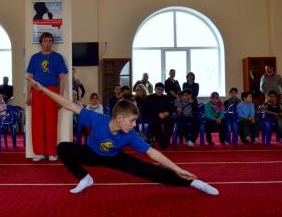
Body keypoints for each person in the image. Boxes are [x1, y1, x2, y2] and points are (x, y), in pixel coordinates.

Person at [27, 76, 219, 196]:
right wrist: (42, 89)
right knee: (63, 148)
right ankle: (85, 178)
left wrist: (179, 169)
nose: (135, 125)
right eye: (133, 120)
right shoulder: (97, 119)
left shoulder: (131, 135)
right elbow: (70, 105)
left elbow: (153, 154)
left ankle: (194, 183)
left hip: (115, 158)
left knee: (151, 171)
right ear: (119, 118)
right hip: (91, 152)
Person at [26, 32, 68, 162]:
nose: (47, 43)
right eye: (45, 41)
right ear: (41, 43)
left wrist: (60, 97)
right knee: (37, 122)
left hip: (52, 91)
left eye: (50, 41)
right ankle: (38, 152)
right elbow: (30, 78)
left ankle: (51, 152)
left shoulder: (58, 57)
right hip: (37, 91)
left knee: (51, 121)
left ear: (52, 43)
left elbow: (62, 78)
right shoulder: (34, 58)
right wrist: (29, 95)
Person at [146, 82, 174, 149]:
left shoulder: (166, 98)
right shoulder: (150, 97)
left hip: (165, 116)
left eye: (161, 89)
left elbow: (171, 108)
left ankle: (165, 141)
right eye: (158, 89)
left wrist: (166, 113)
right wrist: (158, 113)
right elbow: (148, 109)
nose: (160, 91)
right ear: (155, 89)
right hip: (154, 117)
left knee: (170, 121)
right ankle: (161, 142)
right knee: (155, 124)